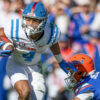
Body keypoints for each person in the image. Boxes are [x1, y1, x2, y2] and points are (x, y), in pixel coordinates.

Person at [0, 2, 68, 100]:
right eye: (27, 19)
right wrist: (5, 44)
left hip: (35, 67)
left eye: (35, 21)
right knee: (25, 92)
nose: (30, 24)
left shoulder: (51, 32)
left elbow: (53, 43)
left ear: (44, 21)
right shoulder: (15, 27)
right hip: (16, 63)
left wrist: (60, 60)